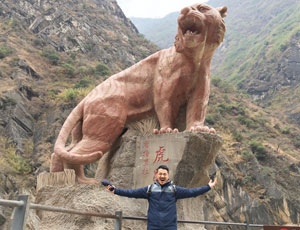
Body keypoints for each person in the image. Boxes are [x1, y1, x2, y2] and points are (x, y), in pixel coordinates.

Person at [106, 165, 217, 230]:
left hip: (170, 227)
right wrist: (115, 190)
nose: (162, 176)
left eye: (164, 174)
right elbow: (131, 193)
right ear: (156, 175)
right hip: (153, 227)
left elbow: (192, 192)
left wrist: (208, 187)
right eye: (160, 174)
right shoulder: (149, 189)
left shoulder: (174, 190)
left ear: (168, 176)